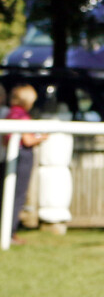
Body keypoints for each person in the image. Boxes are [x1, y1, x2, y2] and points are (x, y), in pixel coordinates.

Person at [4, 84, 47, 245]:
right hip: (23, 156)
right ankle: (10, 233)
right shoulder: (22, 116)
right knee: (18, 195)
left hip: (10, 155)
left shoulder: (10, 114)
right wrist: (42, 137)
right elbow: (27, 140)